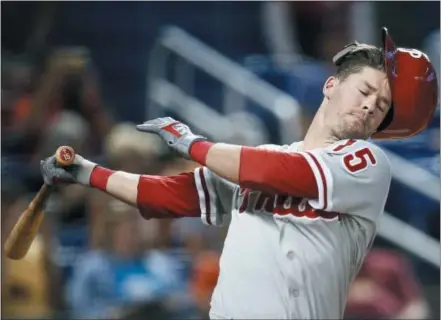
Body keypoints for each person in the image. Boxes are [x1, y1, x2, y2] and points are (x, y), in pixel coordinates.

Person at [39, 28, 438, 319]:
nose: (371, 106)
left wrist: (194, 145)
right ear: (330, 85)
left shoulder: (368, 164)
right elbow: (169, 195)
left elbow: (283, 173)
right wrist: (86, 171)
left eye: (382, 105)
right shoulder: (261, 158)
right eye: (365, 90)